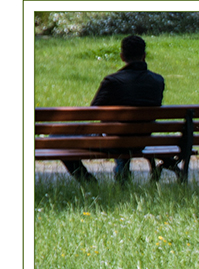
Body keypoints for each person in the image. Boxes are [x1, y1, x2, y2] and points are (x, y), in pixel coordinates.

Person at [62, 35, 165, 184]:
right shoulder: (158, 81)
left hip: (113, 142)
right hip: (141, 139)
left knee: (56, 139)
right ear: (144, 56)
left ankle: (88, 181)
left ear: (122, 56)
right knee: (122, 133)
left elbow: (92, 112)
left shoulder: (113, 81)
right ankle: (122, 174)